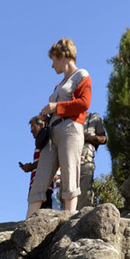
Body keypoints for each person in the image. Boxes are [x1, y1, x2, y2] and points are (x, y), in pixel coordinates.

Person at [26, 36, 93, 215]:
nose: (52, 65)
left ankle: (68, 221)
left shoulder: (82, 75)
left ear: (62, 55)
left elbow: (84, 104)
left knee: (70, 174)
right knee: (40, 178)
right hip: (53, 132)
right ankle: (27, 224)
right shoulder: (59, 84)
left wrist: (57, 106)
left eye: (53, 60)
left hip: (71, 129)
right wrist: (47, 116)